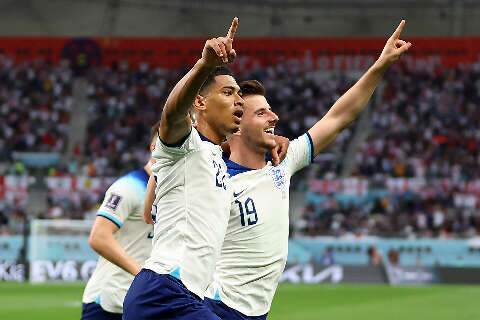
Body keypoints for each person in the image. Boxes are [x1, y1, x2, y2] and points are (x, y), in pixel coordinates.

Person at [204, 20, 412, 319]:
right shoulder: (215, 179)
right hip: (217, 307)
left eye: (270, 109)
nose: (273, 116)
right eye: (261, 112)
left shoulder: (282, 163)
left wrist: (380, 65)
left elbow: (339, 117)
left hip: (257, 313)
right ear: (236, 122)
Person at [122, 18, 242, 320]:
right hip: (165, 294)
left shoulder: (214, 157)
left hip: (184, 295)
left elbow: (149, 213)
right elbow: (173, 114)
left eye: (239, 94)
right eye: (228, 93)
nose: (238, 100)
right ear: (199, 102)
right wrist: (204, 65)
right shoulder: (184, 144)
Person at [81, 122, 158, 319]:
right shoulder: (128, 187)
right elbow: (99, 237)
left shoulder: (173, 191)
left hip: (144, 300)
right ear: (154, 146)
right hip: (108, 302)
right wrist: (143, 275)